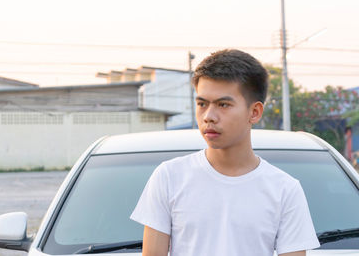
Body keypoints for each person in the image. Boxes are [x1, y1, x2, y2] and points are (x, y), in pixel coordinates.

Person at [130, 49, 320, 256]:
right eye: (202, 104)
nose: (209, 116)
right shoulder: (169, 177)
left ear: (254, 112)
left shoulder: (284, 190)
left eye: (223, 105)